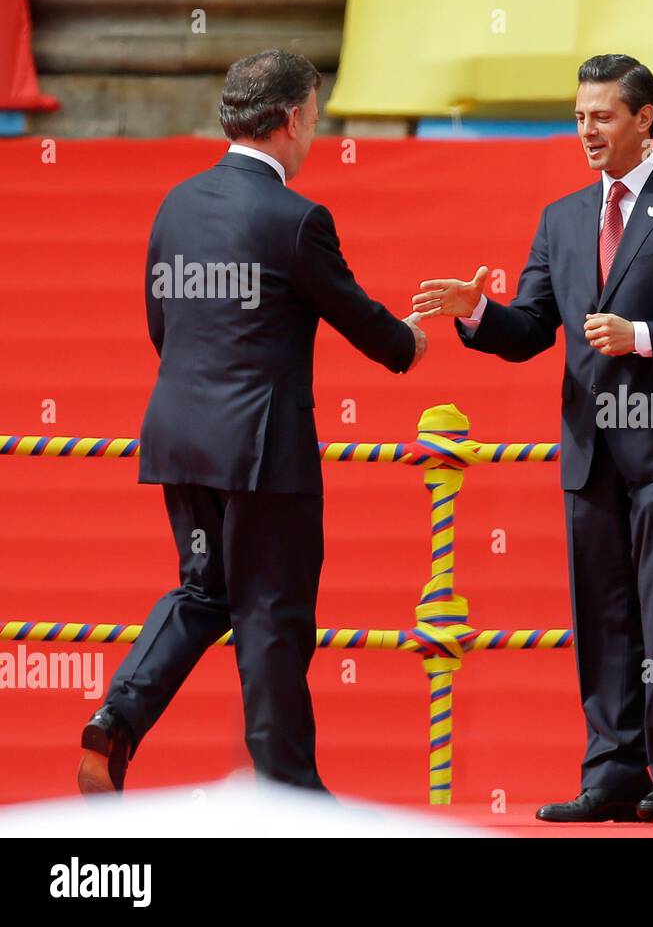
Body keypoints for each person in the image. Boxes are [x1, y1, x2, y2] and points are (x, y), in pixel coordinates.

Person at [412, 54, 653, 823]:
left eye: (602, 116)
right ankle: (610, 769)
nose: (587, 131)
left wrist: (642, 335)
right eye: (579, 117)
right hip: (590, 447)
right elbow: (531, 328)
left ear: (645, 119)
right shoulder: (562, 217)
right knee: (602, 615)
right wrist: (478, 311)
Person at [77, 50, 427, 795]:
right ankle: (289, 790)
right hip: (265, 453)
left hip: (180, 438)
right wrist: (417, 336)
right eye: (319, 118)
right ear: (294, 118)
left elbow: (160, 324)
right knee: (272, 616)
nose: (317, 135)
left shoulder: (175, 203)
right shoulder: (296, 219)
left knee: (202, 593)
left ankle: (117, 717)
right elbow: (368, 326)